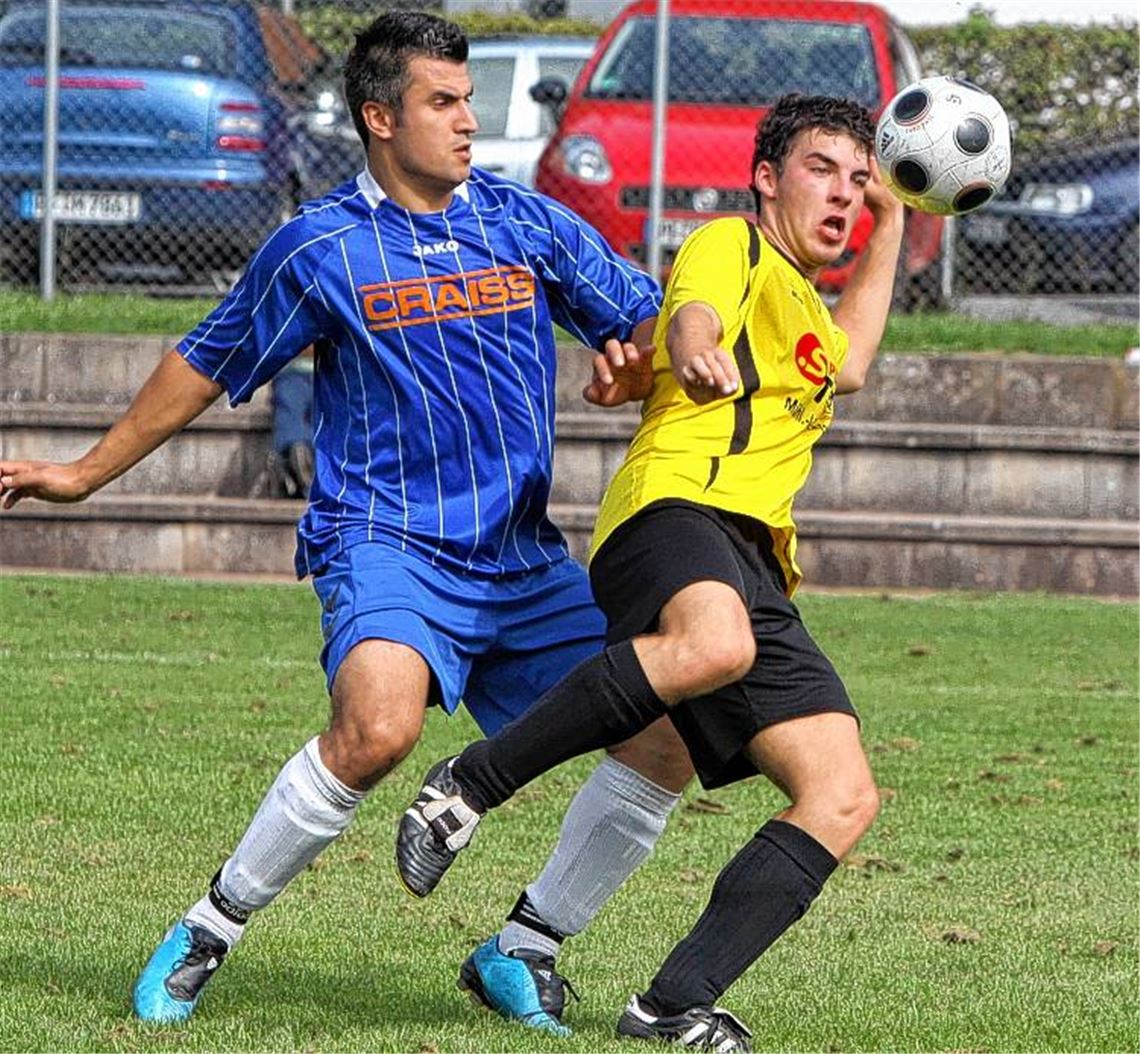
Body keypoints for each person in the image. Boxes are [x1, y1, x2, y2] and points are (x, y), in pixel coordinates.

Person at [0, 11, 699, 1031]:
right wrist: (83, 472)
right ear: (380, 116)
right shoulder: (318, 245)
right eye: (443, 102)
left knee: (670, 735)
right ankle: (209, 927)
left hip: (520, 556)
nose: (468, 123)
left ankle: (524, 946)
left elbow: (641, 313)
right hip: (387, 542)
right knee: (378, 728)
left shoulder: (523, 220)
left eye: (468, 102)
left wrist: (640, 356)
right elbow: (204, 361)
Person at [396, 93, 904, 1049]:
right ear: (767, 178)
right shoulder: (733, 245)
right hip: (671, 511)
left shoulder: (808, 312)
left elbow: (860, 356)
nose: (844, 193)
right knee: (713, 643)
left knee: (840, 793)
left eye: (858, 179)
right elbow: (693, 314)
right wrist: (695, 349)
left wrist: (901, 215)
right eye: (822, 169)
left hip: (755, 558)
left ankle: (667, 1006)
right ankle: (468, 783)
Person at [269, 345, 315, 498]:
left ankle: (298, 459)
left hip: (334, 376)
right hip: (292, 373)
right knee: (290, 412)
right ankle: (296, 454)